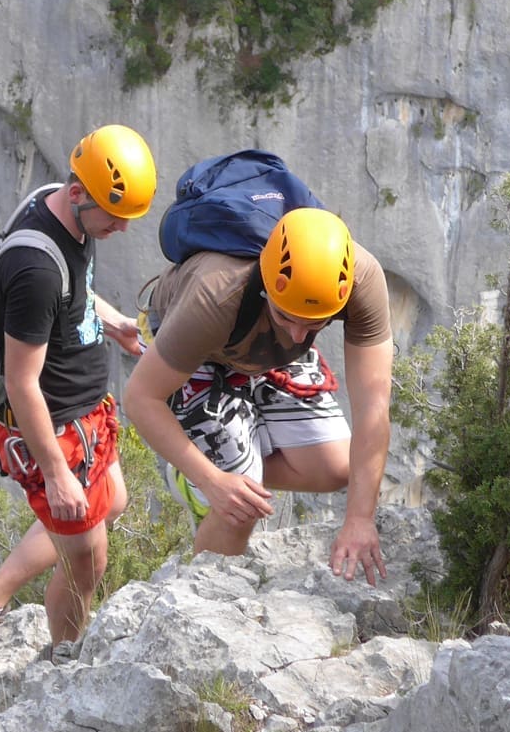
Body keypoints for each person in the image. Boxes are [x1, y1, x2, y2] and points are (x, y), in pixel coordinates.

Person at [0, 124, 155, 656]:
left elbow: (77, 293)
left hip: (88, 412)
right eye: (115, 218)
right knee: (88, 562)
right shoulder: (36, 268)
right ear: (80, 192)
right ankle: (65, 659)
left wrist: (112, 324)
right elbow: (20, 382)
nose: (121, 229)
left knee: (115, 501)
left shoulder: (63, 212)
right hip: (57, 430)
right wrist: (58, 474)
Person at [122, 206, 394, 585]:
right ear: (268, 285)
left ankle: (242, 456)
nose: (300, 335)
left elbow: (374, 407)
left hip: (265, 351)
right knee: (240, 507)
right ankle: (205, 598)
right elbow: (139, 398)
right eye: (288, 317)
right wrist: (212, 478)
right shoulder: (215, 294)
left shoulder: (360, 283)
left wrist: (360, 519)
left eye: (315, 324)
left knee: (337, 468)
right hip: (200, 346)